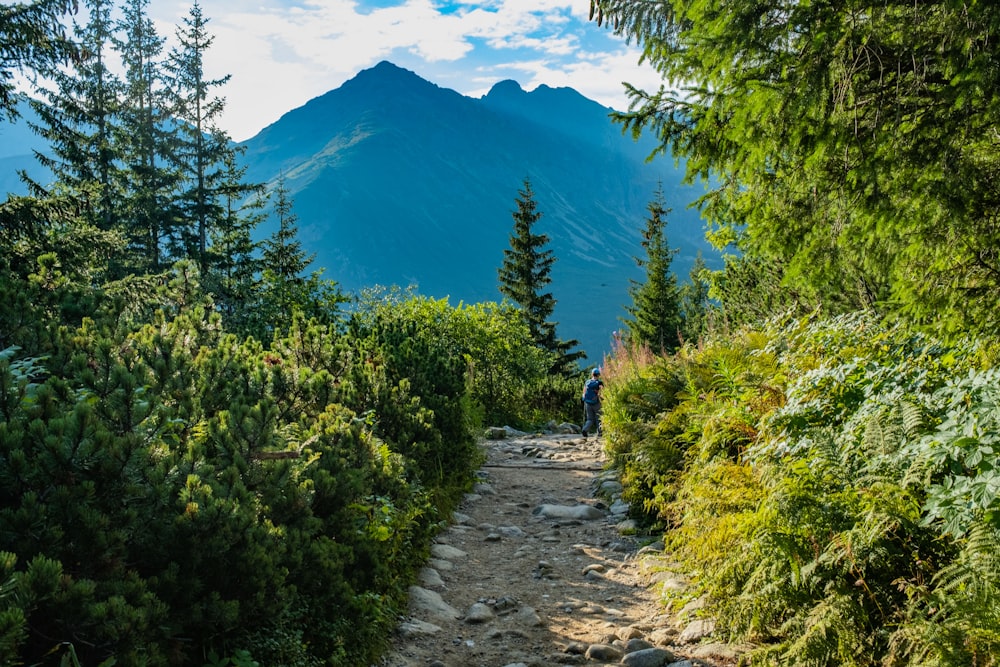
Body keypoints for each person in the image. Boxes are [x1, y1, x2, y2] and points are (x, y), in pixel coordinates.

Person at [581, 367, 604, 438]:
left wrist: (584, 399)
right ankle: (600, 432)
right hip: (596, 403)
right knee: (599, 418)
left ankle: (585, 429)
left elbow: (584, 392)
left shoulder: (587, 382)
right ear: (598, 375)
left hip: (587, 403)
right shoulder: (599, 383)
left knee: (590, 419)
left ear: (592, 374)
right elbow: (602, 391)